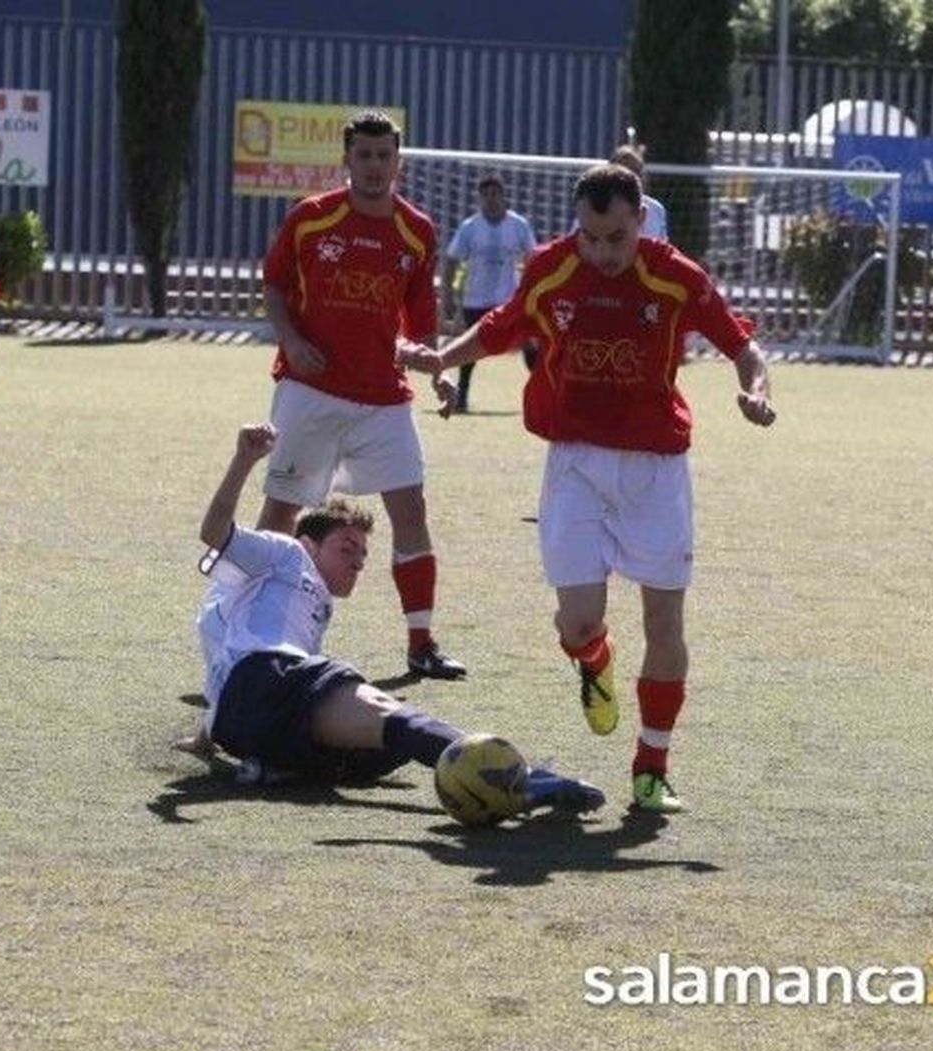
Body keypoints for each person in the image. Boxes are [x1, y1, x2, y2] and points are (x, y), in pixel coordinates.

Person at [399, 164, 777, 813]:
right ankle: (593, 658)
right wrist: (442, 358)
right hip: (574, 463)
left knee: (664, 618)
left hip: (656, 470)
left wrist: (755, 389)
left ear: (640, 223)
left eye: (618, 237)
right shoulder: (552, 267)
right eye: (593, 236)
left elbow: (743, 347)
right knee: (577, 621)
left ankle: (652, 767)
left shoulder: (674, 275)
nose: (603, 251)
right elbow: (501, 326)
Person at [176, 422, 604, 816]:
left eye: (363, 555)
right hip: (270, 682)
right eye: (347, 548)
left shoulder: (304, 607)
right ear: (308, 543)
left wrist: (205, 737)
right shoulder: (286, 554)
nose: (358, 562)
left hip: (245, 723)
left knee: (383, 754)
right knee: (397, 718)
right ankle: (525, 778)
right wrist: (243, 461)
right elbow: (215, 531)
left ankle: (274, 768)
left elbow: (225, 670)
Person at [258, 109, 466, 680]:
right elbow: (274, 285)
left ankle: (421, 643)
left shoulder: (417, 230)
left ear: (398, 161)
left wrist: (436, 369)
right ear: (346, 159)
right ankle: (256, 631)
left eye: (385, 156)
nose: (375, 167)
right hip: (310, 390)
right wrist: (292, 339)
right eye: (364, 155)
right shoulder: (311, 219)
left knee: (412, 509)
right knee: (281, 510)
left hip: (382, 397)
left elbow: (419, 324)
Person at [439, 173, 536, 411]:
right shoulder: (470, 227)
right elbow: (451, 259)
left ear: (504, 197)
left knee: (529, 344)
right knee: (471, 350)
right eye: (486, 195)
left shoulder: (518, 225)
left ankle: (545, 390)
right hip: (476, 299)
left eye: (495, 194)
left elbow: (533, 257)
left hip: (508, 300)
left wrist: (532, 292)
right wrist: (448, 294)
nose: (491, 199)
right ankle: (461, 397)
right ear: (480, 199)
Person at [607, 145, 668, 240]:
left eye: (635, 170)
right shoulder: (594, 207)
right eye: (621, 171)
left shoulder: (656, 209)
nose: (628, 176)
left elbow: (663, 246)